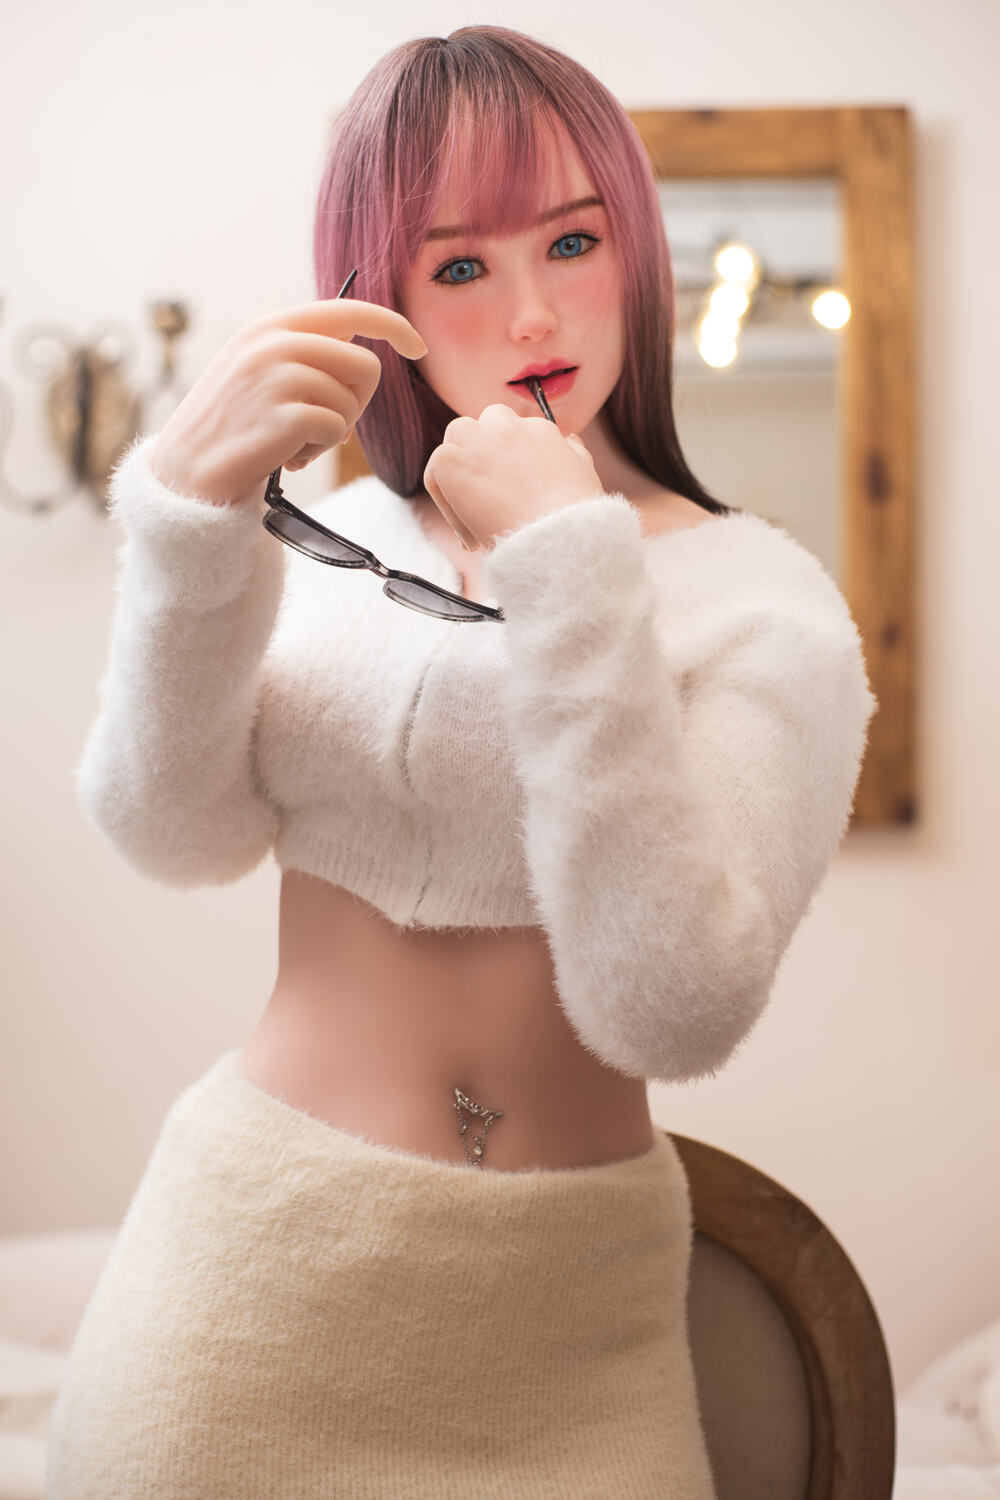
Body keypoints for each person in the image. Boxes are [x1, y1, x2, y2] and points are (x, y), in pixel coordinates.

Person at [45, 24, 878, 1500]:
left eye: (573, 239)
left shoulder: (769, 608)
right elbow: (173, 832)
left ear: (639, 251)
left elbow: (669, 1006)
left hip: (570, 1332)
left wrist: (569, 572)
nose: (534, 310)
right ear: (385, 301)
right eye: (462, 265)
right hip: (238, 1282)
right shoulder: (333, 539)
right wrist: (186, 518)